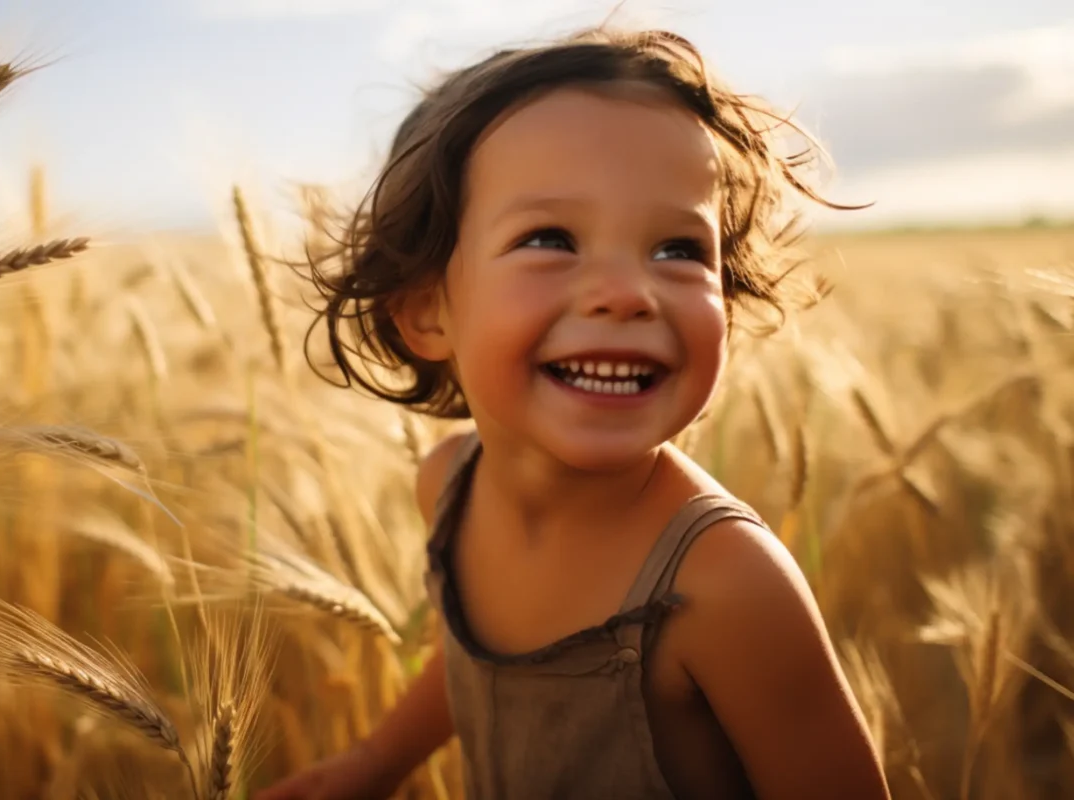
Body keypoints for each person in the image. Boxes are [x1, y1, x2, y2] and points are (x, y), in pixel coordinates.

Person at [257, 22, 890, 800]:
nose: (627, 292)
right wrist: (375, 762)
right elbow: (465, 661)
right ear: (426, 311)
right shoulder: (449, 485)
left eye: (678, 250)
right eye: (551, 237)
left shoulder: (728, 584)